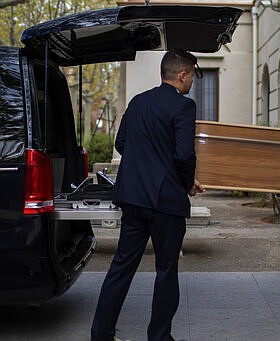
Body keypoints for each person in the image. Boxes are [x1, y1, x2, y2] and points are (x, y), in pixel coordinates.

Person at [91, 49, 204, 341]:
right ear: (182, 75)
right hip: (165, 201)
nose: (192, 81)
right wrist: (187, 183)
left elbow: (121, 142)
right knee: (166, 271)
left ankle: (101, 334)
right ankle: (159, 337)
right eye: (191, 75)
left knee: (121, 267)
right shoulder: (184, 107)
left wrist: (147, 167)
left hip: (133, 197)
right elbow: (183, 155)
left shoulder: (138, 101)